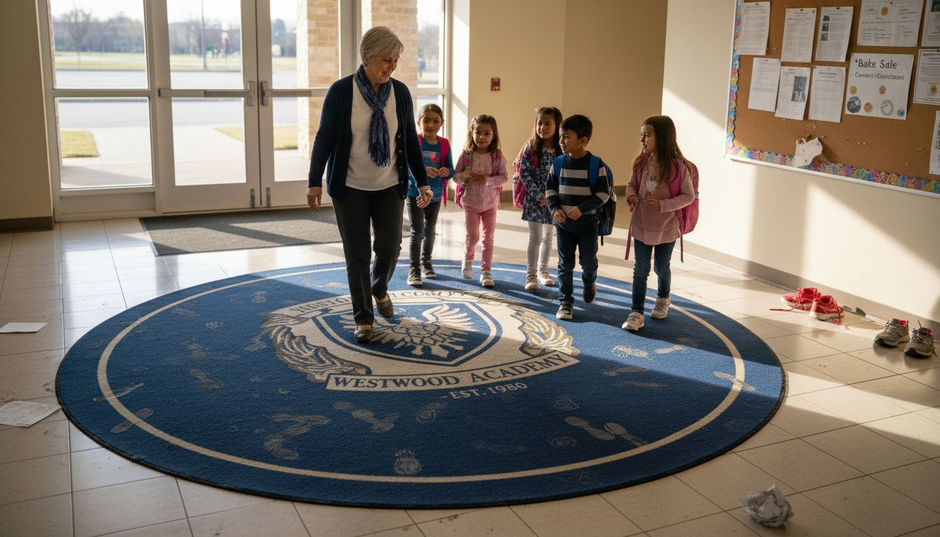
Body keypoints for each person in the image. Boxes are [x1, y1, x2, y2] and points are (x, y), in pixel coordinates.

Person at [306, 26, 432, 344]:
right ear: (366, 57)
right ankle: (363, 318)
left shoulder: (400, 93)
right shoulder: (340, 91)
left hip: (389, 184)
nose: (391, 66)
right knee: (357, 255)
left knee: (390, 249)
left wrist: (424, 182)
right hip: (349, 187)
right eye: (386, 60)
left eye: (396, 60)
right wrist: (314, 181)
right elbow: (324, 138)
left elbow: (411, 145)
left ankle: (379, 288)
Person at [622, 115, 695, 332]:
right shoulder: (641, 162)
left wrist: (663, 205)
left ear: (662, 137)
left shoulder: (678, 167)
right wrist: (631, 195)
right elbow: (630, 185)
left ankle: (663, 298)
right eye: (641, 135)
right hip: (642, 224)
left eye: (647, 135)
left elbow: (688, 196)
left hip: (666, 228)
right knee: (640, 269)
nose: (642, 140)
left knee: (661, 267)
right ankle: (636, 312)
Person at [546, 114, 611, 321]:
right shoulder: (558, 163)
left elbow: (604, 194)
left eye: (566, 137)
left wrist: (582, 209)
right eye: (560, 137)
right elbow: (550, 189)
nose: (561, 141)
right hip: (564, 225)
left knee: (587, 262)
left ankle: (589, 279)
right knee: (564, 265)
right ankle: (565, 301)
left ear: (582, 141)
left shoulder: (595, 164)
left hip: (587, 225)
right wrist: (554, 208)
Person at [453, 114, 508, 288]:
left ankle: (486, 270)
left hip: (490, 203)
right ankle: (468, 259)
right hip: (471, 203)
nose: (482, 137)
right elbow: (455, 176)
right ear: (472, 133)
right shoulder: (467, 155)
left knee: (488, 237)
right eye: (478, 132)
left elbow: (504, 177)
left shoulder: (497, 156)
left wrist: (487, 179)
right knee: (473, 235)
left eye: (486, 133)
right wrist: (463, 176)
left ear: (493, 135)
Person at [406, 103, 454, 287]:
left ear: (442, 123)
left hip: (435, 195)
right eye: (426, 120)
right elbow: (408, 167)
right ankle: (414, 268)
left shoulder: (444, 144)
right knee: (416, 230)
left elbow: (450, 169)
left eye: (435, 121)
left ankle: (427, 263)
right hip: (415, 193)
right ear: (419, 122)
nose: (431, 125)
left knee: (430, 230)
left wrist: (444, 171)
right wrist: (424, 170)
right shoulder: (415, 141)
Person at [515, 106, 562, 291]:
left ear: (557, 125)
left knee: (549, 236)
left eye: (547, 123)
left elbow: (563, 175)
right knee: (535, 237)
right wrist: (539, 195)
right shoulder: (531, 147)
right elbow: (524, 174)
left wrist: (552, 198)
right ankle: (531, 274)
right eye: (539, 123)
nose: (542, 127)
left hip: (554, 202)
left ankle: (543, 271)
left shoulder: (561, 150)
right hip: (534, 200)